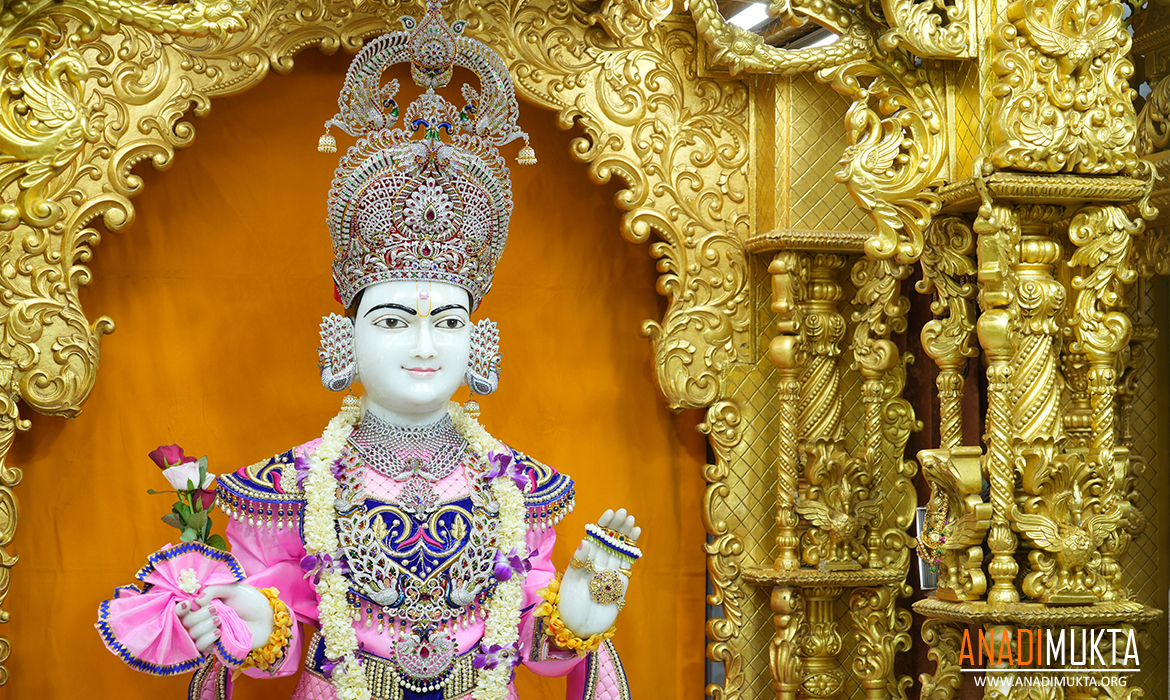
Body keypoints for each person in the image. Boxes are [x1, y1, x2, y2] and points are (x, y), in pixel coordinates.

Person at [96, 4, 641, 698]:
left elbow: (525, 641)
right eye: (391, 321)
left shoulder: (522, 491)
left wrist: (581, 613)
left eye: (448, 321)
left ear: (479, 340)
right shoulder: (288, 487)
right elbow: (284, 625)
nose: (423, 345)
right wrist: (248, 620)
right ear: (343, 338)